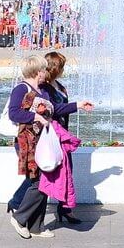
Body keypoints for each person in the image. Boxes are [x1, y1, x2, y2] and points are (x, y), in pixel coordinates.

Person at [40, 51, 94, 225]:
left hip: (62, 134)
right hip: (52, 136)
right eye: (62, 66)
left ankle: (65, 209)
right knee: (48, 173)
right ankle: (19, 203)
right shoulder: (45, 89)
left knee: (67, 170)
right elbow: (55, 109)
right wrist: (77, 105)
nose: (64, 69)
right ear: (55, 68)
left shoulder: (58, 86)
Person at [7, 55, 54, 239]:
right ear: (37, 71)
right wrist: (36, 117)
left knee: (42, 179)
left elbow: (56, 109)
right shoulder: (21, 89)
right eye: (43, 70)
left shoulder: (42, 90)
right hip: (26, 142)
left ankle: (36, 226)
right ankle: (20, 217)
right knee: (39, 180)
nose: (45, 73)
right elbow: (14, 113)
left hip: (41, 140)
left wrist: (77, 106)